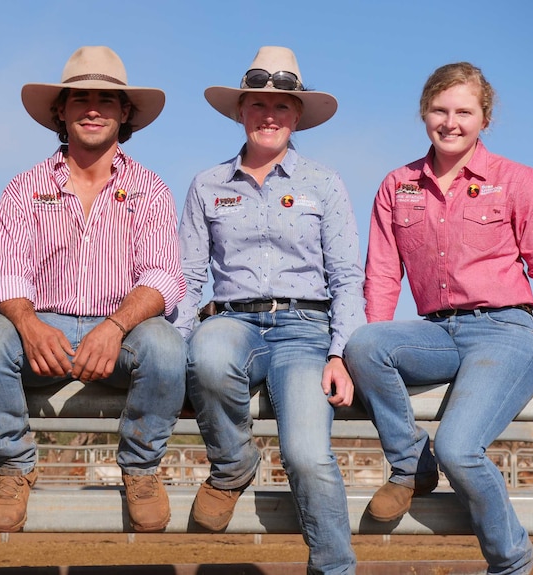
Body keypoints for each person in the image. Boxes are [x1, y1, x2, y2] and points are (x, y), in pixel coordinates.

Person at [343, 62, 533, 575]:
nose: (451, 122)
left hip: (507, 332)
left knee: (458, 446)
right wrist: (368, 335)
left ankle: (512, 561)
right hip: (436, 331)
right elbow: (382, 274)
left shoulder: (517, 181)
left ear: (484, 119)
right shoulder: (397, 185)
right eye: (440, 110)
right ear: (424, 113)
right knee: (364, 346)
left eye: (464, 112)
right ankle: (410, 465)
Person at [0, 46, 186, 534]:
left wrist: (114, 326)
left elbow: (164, 275)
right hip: (43, 326)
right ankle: (15, 466)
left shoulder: (150, 189)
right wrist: (27, 323)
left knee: (168, 348)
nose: (92, 108)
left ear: (124, 112)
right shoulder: (25, 187)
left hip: (121, 332)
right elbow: (1, 274)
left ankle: (141, 468)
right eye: (79, 97)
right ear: (59, 111)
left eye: (106, 99)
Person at [174, 46, 364, 574]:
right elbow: (190, 278)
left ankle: (333, 568)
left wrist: (340, 352)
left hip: (306, 328)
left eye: (282, 106)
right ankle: (234, 463)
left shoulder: (324, 183)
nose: (269, 115)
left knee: (307, 454)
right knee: (207, 358)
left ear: (297, 116)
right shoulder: (206, 185)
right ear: (241, 111)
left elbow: (347, 275)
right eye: (258, 104)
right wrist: (180, 346)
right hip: (233, 319)